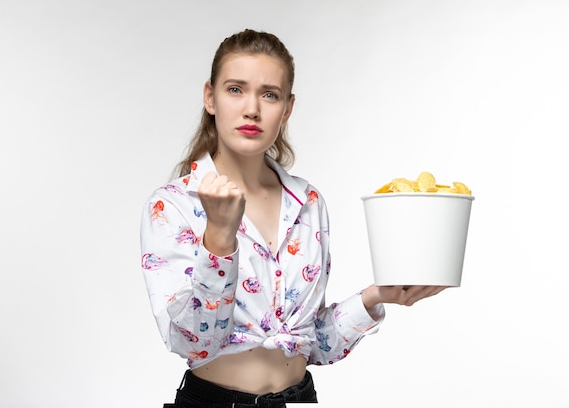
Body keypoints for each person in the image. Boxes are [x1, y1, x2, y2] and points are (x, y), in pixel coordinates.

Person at [140, 29, 447, 407]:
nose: (252, 108)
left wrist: (376, 296)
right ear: (210, 97)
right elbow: (194, 342)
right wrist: (219, 237)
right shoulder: (172, 207)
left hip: (301, 399)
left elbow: (312, 344)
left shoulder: (307, 201)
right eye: (235, 89)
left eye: (269, 94)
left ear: (287, 108)